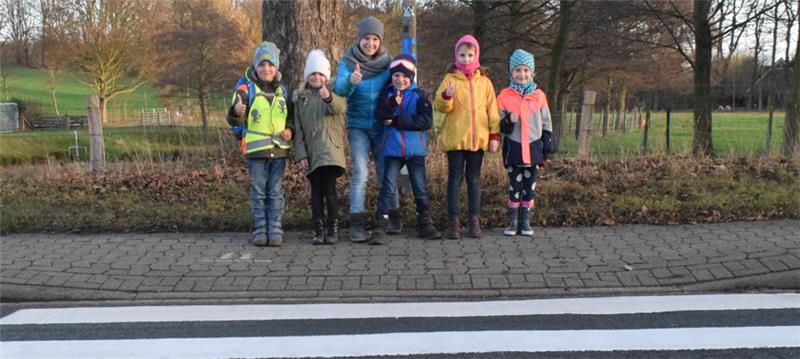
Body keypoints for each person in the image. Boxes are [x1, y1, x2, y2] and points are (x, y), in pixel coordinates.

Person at [333, 16, 399, 243]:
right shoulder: (348, 61)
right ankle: (357, 224)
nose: (370, 43)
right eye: (366, 38)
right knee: (360, 174)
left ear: (380, 41)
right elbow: (339, 89)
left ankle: (392, 216)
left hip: (382, 126)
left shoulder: (388, 63)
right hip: (358, 126)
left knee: (385, 173)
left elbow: (402, 82)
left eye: (374, 39)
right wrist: (352, 80)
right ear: (358, 39)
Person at [227, 41, 294, 247]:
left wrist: (290, 130)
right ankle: (260, 228)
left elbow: (290, 117)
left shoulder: (283, 90)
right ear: (255, 66)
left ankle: (274, 228)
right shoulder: (246, 89)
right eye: (262, 65)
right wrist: (236, 112)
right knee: (259, 192)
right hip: (256, 151)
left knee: (275, 191)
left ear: (277, 67)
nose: (266, 69)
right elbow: (234, 119)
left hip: (279, 151)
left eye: (271, 65)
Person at [433, 34, 500, 240]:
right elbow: (440, 106)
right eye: (462, 55)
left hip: (478, 139)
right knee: (454, 179)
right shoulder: (449, 79)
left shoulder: (485, 82)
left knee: (474, 180)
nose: (466, 59)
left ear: (476, 55)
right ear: (456, 56)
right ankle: (454, 223)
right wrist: (447, 96)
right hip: (455, 138)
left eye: (470, 55)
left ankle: (474, 223)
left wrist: (494, 135)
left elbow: (492, 110)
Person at [370, 54, 441, 245]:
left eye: (404, 76)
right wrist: (392, 105)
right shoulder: (386, 94)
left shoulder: (420, 96)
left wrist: (397, 121)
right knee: (388, 186)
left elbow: (425, 121)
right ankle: (381, 222)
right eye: (396, 76)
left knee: (419, 186)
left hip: (415, 148)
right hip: (392, 148)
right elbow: (380, 114)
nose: (399, 80)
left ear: (411, 77)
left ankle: (425, 220)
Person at [497, 49, 553, 236]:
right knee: (514, 186)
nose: (522, 74)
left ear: (532, 73)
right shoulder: (504, 96)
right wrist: (509, 121)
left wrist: (548, 150)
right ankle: (513, 222)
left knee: (529, 187)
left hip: (534, 149)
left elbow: (547, 124)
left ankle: (526, 222)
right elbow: (499, 126)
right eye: (518, 70)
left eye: (526, 70)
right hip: (514, 149)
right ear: (511, 72)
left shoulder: (539, 96)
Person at [293, 49, 347, 245]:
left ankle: (332, 228)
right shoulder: (300, 98)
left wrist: (328, 97)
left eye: (320, 74)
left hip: (330, 150)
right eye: (313, 74)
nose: (317, 77)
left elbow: (340, 108)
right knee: (316, 191)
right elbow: (298, 129)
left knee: (330, 190)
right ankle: (318, 228)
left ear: (326, 76)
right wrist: (300, 154)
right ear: (307, 76)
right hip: (311, 151)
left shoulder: (334, 92)